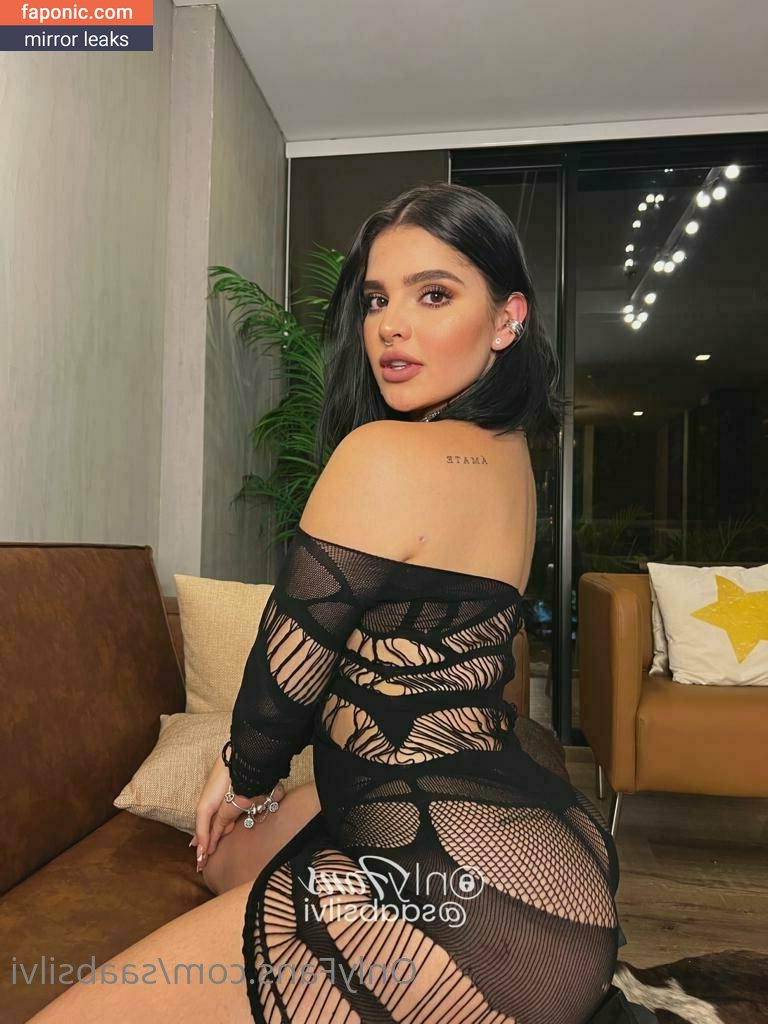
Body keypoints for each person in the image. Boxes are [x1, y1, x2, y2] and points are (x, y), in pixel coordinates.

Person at [29, 182, 637, 1024]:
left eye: (434, 295)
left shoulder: (383, 452)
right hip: (549, 859)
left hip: (468, 906)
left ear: (507, 320)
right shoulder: (508, 458)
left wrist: (243, 769)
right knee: (226, 858)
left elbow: (288, 672)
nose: (391, 325)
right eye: (378, 299)